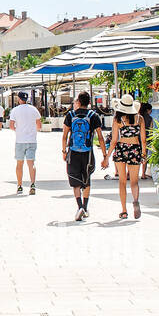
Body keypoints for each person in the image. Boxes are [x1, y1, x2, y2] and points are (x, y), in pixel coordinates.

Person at [62, 91, 105, 222]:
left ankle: (79, 206)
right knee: (86, 180)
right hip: (88, 153)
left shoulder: (70, 115)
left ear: (79, 102)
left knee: (75, 181)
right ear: (89, 102)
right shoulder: (94, 116)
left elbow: (64, 136)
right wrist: (105, 155)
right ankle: (85, 208)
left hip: (73, 152)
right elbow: (101, 138)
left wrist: (64, 151)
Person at [106, 93, 146, 219]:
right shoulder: (140, 119)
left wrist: (106, 157)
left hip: (121, 149)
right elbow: (143, 140)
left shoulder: (118, 120)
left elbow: (113, 140)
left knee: (122, 182)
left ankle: (124, 210)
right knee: (134, 181)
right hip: (135, 149)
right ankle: (135, 200)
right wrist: (143, 154)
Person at [8, 91, 42, 194]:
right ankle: (32, 184)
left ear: (19, 99)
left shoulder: (15, 110)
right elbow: (39, 126)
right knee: (31, 163)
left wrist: (19, 130)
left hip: (20, 140)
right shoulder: (34, 110)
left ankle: (19, 185)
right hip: (32, 140)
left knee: (19, 164)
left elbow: (11, 126)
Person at [138, 101, 154, 180]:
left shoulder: (138, 117)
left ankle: (130, 173)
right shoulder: (150, 118)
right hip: (146, 138)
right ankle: (143, 174)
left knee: (136, 155)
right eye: (151, 110)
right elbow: (151, 130)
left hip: (137, 138)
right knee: (144, 156)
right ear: (148, 110)